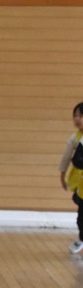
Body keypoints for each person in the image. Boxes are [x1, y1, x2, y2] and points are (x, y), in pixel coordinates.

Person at [59, 102, 83, 253]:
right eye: (75, 116)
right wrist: (62, 174)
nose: (77, 119)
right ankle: (82, 237)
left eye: (81, 116)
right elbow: (66, 157)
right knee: (81, 217)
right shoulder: (75, 138)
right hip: (80, 182)